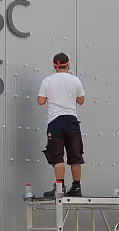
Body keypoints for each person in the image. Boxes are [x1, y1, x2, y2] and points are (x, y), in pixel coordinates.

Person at [37, 52, 86, 198]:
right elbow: (81, 100)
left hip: (55, 121)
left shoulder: (48, 80)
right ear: (68, 65)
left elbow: (41, 101)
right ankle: (76, 187)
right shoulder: (75, 80)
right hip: (72, 120)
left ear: (54, 66)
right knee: (75, 156)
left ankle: (60, 187)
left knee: (57, 156)